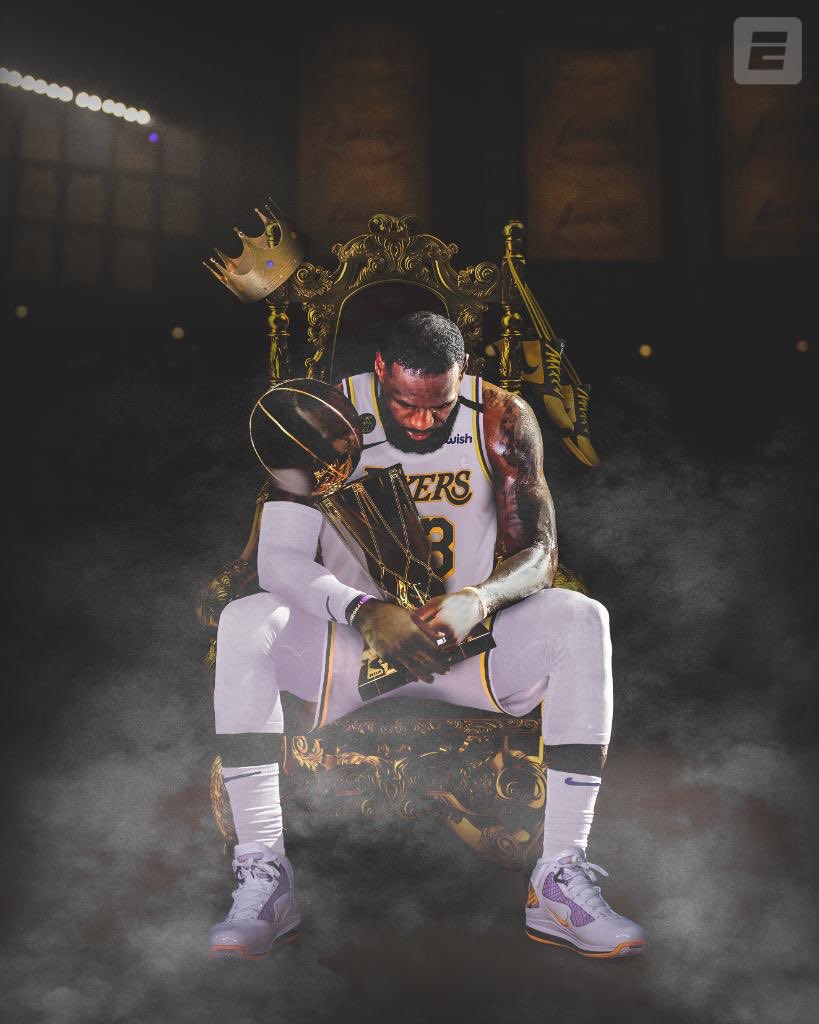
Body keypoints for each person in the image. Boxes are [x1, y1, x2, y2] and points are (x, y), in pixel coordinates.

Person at [208, 311, 645, 959]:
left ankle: (558, 875)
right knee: (246, 620)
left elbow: (540, 554)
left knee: (582, 617)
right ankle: (265, 874)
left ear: (460, 376)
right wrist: (363, 611)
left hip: (465, 648)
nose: (420, 420)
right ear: (381, 370)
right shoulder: (321, 416)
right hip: (352, 651)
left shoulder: (500, 416)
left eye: (437, 405)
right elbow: (279, 561)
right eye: (404, 403)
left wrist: (478, 599)